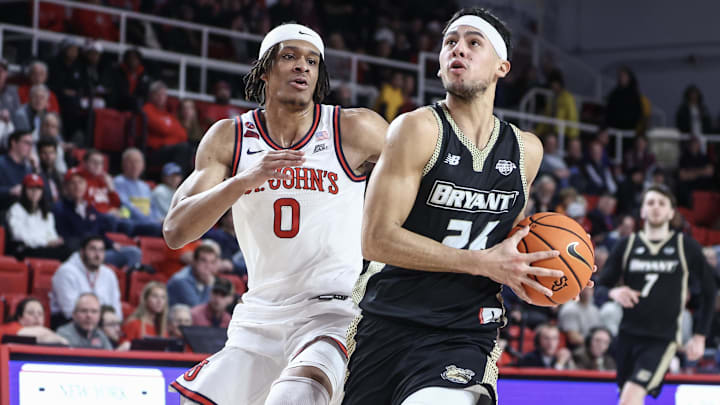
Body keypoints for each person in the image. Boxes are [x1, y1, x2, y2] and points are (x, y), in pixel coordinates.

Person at [342, 8, 586, 405]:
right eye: (450, 42)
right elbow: (376, 240)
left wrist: (555, 267)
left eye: (474, 43)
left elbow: (511, 245)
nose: (459, 50)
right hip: (387, 321)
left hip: (465, 332)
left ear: (502, 67)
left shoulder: (527, 151)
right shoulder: (417, 129)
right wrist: (481, 263)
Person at [165, 23, 385, 405]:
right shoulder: (229, 137)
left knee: (298, 396)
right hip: (259, 316)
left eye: (312, 61)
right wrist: (243, 181)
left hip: (332, 309)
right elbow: (175, 230)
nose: (302, 67)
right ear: (264, 70)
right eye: (290, 57)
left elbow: (420, 175)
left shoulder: (352, 128)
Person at [597, 185, 716, 404]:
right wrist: (614, 292)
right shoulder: (627, 244)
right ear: (642, 211)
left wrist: (700, 336)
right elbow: (599, 286)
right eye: (650, 203)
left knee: (630, 398)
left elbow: (710, 291)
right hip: (627, 336)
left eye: (662, 203)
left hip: (662, 339)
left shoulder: (685, 246)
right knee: (628, 398)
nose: (656, 208)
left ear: (672, 212)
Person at [50, 235, 123, 328]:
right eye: (93, 249)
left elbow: (116, 307)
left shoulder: (109, 274)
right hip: (69, 324)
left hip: (103, 325)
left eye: (101, 250)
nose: (97, 255)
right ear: (82, 251)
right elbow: (69, 311)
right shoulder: (66, 272)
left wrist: (113, 322)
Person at [5, 173, 69, 260]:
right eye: (31, 188)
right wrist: (45, 242)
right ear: (24, 190)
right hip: (25, 249)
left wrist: (56, 240)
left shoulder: (46, 212)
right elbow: (18, 236)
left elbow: (51, 233)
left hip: (45, 248)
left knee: (67, 250)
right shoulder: (16, 209)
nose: (35, 192)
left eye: (38, 188)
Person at [166, 242, 219, 307]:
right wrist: (208, 287)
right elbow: (198, 310)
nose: (208, 266)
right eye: (203, 261)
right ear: (194, 262)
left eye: (212, 262)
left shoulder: (205, 278)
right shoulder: (181, 280)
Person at [0, 297, 68, 345]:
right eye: (30, 313)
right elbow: (38, 334)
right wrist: (60, 339)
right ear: (20, 317)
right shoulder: (9, 327)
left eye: (40, 313)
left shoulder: (45, 333)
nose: (36, 316)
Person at [0, 130, 33, 210]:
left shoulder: (28, 168)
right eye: (26, 143)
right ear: (14, 143)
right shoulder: (1, 163)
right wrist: (10, 191)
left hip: (22, 215)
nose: (30, 147)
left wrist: (37, 169)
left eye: (31, 144)